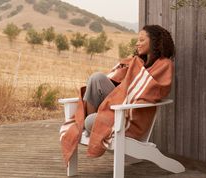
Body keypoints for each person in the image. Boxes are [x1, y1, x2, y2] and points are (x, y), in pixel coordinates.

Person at [60, 24, 175, 164]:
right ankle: (93, 123)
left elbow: (151, 90)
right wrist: (128, 67)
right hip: (118, 105)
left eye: (142, 40)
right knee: (96, 78)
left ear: (155, 42)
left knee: (89, 121)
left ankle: (91, 124)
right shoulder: (137, 61)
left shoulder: (164, 64)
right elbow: (122, 83)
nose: (137, 43)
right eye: (137, 40)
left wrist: (135, 70)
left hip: (130, 116)